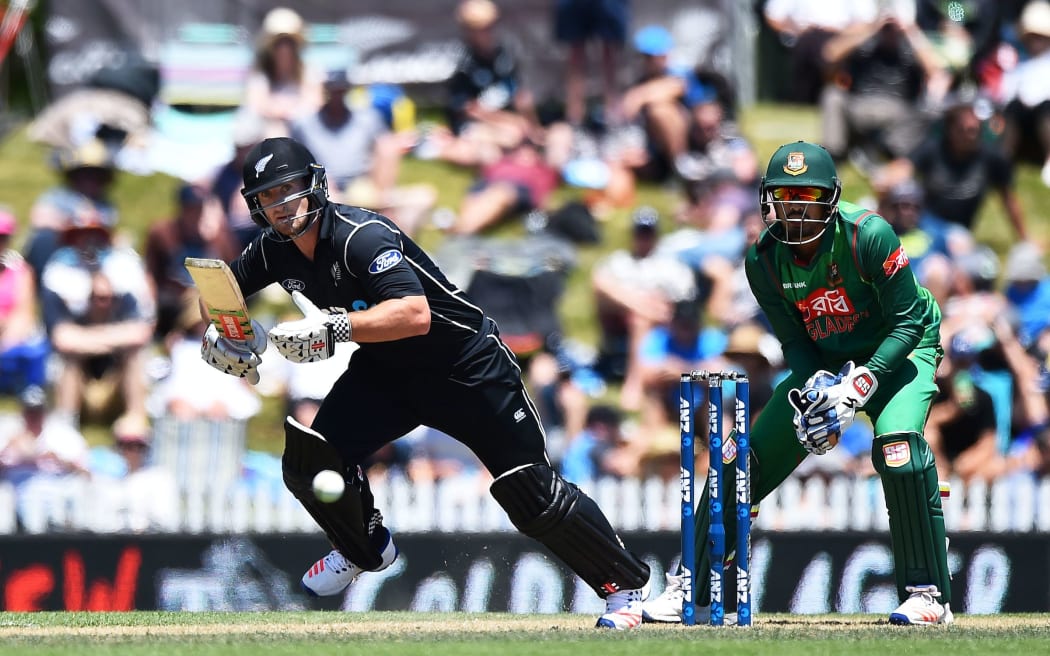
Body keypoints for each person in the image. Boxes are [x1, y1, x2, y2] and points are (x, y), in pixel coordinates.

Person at [197, 136, 651, 629]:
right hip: (389, 373)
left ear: (314, 184)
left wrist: (335, 329)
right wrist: (231, 331)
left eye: (289, 190)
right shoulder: (272, 249)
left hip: (467, 367)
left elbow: (415, 314)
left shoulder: (359, 235)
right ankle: (362, 548)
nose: (282, 207)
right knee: (310, 460)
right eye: (268, 197)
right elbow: (220, 292)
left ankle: (624, 591)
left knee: (531, 494)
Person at [642, 141, 953, 626]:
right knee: (734, 458)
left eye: (808, 194)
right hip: (828, 360)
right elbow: (796, 345)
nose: (798, 208)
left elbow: (908, 321)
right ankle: (693, 590)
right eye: (786, 196)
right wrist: (818, 394)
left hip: (901, 348)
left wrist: (858, 388)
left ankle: (927, 593)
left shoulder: (867, 235)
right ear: (769, 200)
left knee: (898, 451)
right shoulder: (762, 262)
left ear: (831, 197)